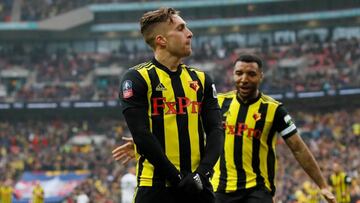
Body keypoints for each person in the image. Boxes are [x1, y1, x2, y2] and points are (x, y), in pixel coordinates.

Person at [114, 54, 337, 203]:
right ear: (233, 75)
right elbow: (185, 128)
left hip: (256, 190)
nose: (244, 79)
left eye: (251, 74)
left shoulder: (274, 110)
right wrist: (142, 144)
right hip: (220, 188)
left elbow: (297, 148)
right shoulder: (218, 103)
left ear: (261, 76)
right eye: (239, 73)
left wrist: (322, 184)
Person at [114, 7, 223, 203]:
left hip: (199, 187)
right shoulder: (137, 78)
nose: (189, 33)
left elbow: (216, 130)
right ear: (161, 40)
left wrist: (201, 174)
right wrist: (178, 178)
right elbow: (141, 134)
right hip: (155, 188)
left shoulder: (202, 79)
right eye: (181, 29)